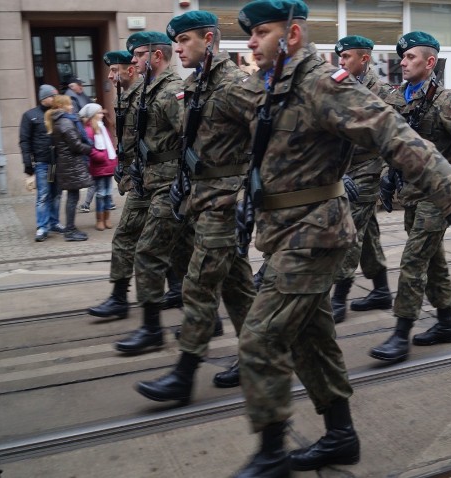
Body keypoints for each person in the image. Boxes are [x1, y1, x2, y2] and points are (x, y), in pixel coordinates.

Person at [231, 2, 451, 475]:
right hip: (282, 232)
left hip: (314, 234)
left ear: (290, 35)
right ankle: (340, 437)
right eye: (249, 34)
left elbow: (393, 132)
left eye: (260, 33)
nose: (251, 42)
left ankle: (270, 452)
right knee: (312, 342)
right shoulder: (270, 87)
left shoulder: (321, 84)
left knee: (259, 339)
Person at [135, 11, 256, 404]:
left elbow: (265, 145)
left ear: (208, 39)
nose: (178, 49)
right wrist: (181, 187)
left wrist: (248, 199)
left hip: (225, 202)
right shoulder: (194, 84)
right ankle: (258, 356)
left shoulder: (235, 84)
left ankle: (184, 374)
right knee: (238, 288)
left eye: (184, 41)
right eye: (176, 42)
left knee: (199, 283)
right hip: (200, 198)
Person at [370, 31, 451, 363]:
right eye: (401, 58)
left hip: (439, 196)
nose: (402, 63)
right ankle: (447, 323)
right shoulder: (397, 98)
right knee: (434, 262)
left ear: (430, 62)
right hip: (410, 194)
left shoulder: (447, 102)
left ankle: (400, 334)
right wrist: (386, 176)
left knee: (414, 260)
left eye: (410, 58)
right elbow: (386, 143)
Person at [113, 31, 194, 355]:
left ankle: (151, 330)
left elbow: (191, 139)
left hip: (169, 183)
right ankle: (206, 317)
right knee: (187, 253)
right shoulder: (149, 90)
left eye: (138, 57)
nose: (132, 62)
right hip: (151, 180)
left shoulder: (173, 91)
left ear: (156, 57)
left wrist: (185, 184)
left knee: (148, 252)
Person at [329, 34, 393, 324]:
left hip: (367, 170)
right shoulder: (337, 86)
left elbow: (390, 137)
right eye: (339, 57)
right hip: (344, 169)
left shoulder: (380, 92)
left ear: (364, 59)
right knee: (368, 233)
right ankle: (380, 290)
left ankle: (339, 297)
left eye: (346, 57)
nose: (340, 62)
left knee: (349, 232)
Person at [87, 50, 148, 321]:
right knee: (162, 243)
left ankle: (136, 310)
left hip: (156, 182)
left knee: (139, 242)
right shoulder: (125, 97)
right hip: (141, 181)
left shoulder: (146, 96)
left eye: (114, 70)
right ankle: (123, 299)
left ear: (130, 70)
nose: (110, 76)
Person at [20, 84, 65, 242]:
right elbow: (24, 141)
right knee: (43, 195)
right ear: (44, 98)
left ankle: (54, 222)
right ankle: (42, 226)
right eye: (52, 96)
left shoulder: (58, 114)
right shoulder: (29, 115)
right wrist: (28, 164)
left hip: (57, 162)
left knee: (57, 194)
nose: (55, 99)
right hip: (42, 162)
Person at [45, 94, 93, 241]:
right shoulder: (65, 122)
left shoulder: (60, 121)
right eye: (69, 104)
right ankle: (70, 231)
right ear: (61, 106)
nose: (72, 107)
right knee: (72, 197)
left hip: (68, 164)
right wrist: (90, 148)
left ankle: (70, 228)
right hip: (71, 164)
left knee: (73, 196)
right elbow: (75, 145)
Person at [79, 103, 117, 231]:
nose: (102, 114)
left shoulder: (103, 128)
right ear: (93, 115)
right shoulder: (89, 130)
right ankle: (100, 219)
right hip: (99, 166)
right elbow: (89, 149)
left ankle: (107, 218)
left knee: (108, 193)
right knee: (100, 193)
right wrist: (99, 156)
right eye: (99, 113)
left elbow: (110, 145)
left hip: (108, 165)